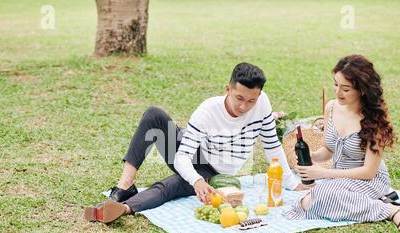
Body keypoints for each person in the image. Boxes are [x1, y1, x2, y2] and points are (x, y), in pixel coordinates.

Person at [85, 62, 311, 223]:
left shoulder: (262, 104)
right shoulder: (207, 111)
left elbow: (272, 145)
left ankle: (123, 209)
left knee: (170, 186)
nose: (244, 107)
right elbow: (183, 156)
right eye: (239, 98)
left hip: (212, 172)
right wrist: (195, 181)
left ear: (259, 95)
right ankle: (125, 186)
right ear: (228, 89)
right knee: (154, 115)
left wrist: (292, 183)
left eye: (251, 100)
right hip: (191, 153)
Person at [285, 54, 400, 230]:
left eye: (346, 89)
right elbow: (328, 149)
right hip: (339, 177)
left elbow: (368, 172)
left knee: (320, 196)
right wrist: (311, 156)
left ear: (362, 90)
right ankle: (372, 204)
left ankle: (390, 210)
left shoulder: (374, 120)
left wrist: (322, 173)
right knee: (309, 200)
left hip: (369, 179)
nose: (338, 92)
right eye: (335, 85)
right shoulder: (331, 108)